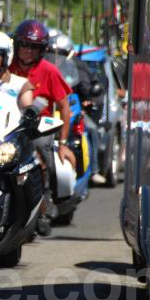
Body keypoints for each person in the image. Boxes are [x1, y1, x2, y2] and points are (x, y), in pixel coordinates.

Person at [9, 19, 75, 236]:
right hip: (9, 124)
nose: (28, 51)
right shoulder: (7, 68)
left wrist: (63, 143)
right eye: (24, 45)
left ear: (42, 50)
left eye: (34, 46)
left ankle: (44, 204)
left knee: (40, 153)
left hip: (41, 127)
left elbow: (65, 108)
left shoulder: (49, 71)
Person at [47, 32, 105, 185]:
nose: (56, 57)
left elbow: (90, 87)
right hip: (49, 109)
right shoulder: (44, 66)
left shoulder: (78, 66)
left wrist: (89, 101)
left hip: (73, 106)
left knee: (91, 128)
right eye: (52, 53)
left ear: (69, 54)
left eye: (60, 54)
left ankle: (94, 170)